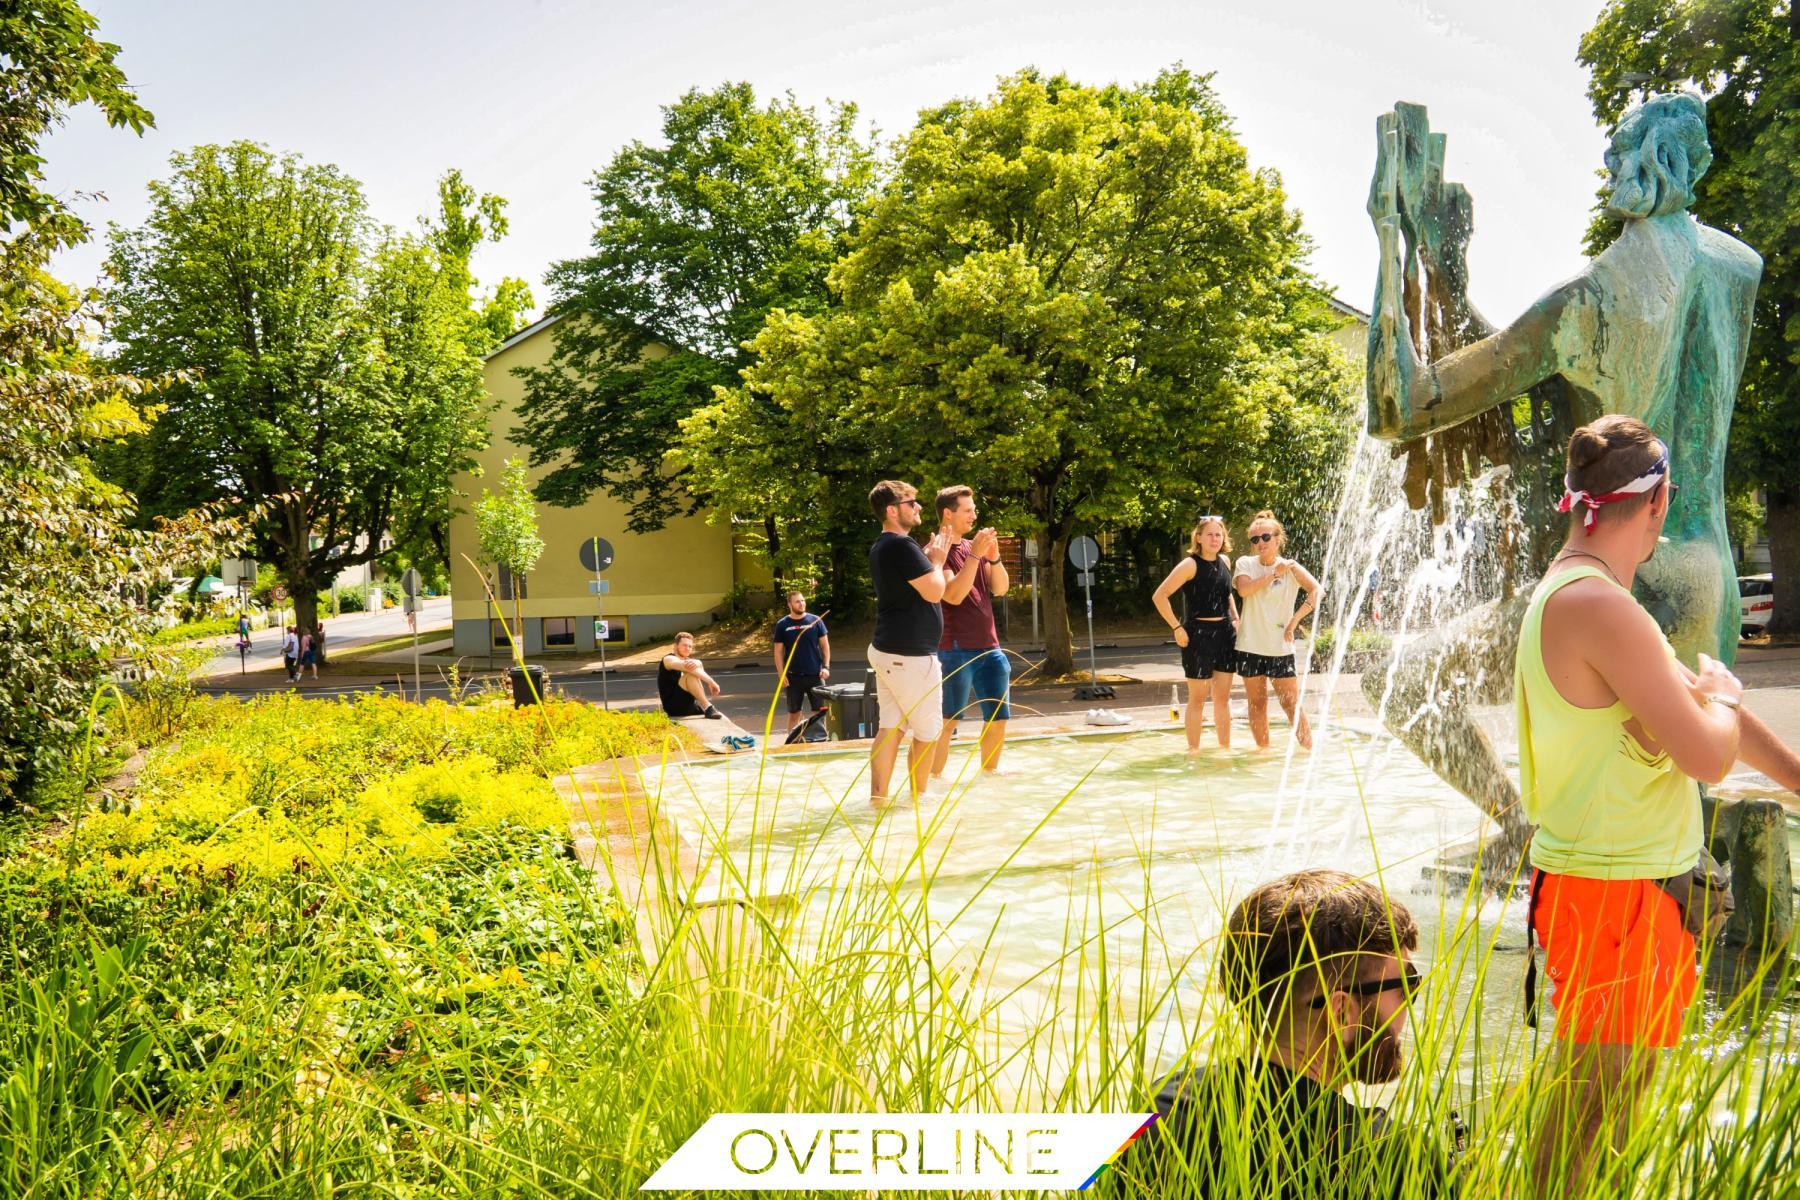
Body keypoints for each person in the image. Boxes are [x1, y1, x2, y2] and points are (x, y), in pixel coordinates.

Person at [1517, 415, 1800, 1194]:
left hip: (1615, 888)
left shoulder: (1582, 594)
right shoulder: (1602, 608)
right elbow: (1709, 747)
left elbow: (1690, 714)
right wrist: (1728, 693)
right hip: (1619, 893)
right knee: (1586, 1126)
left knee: (1594, 1116)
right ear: (1661, 500)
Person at [1148, 869, 1447, 1197]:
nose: (1410, 1005)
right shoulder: (1398, 1160)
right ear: (1341, 1011)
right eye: (1405, 985)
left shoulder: (1158, 1107)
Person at [866, 479, 983, 806]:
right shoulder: (901, 546)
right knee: (928, 733)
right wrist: (938, 557)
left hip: (889, 650)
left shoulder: (883, 545)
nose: (918, 507)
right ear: (892, 511)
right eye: (911, 503)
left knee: (890, 728)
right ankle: (919, 800)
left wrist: (931, 556)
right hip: (910, 656)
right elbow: (935, 591)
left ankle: (878, 800)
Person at [928, 485, 1010, 783]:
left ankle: (989, 776)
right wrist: (976, 556)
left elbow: (1000, 589)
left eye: (974, 509)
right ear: (947, 513)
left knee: (998, 718)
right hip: (955, 648)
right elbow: (953, 595)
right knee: (948, 722)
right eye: (968, 510)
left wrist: (995, 557)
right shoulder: (938, 550)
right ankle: (932, 783)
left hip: (990, 646)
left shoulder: (970, 549)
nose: (974, 515)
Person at [1152, 515, 1239, 753]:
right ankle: (1194, 752)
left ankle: (1224, 749)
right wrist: (1176, 627)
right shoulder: (1189, 565)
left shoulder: (1225, 561)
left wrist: (1235, 617)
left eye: (1218, 534)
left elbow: (1227, 593)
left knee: (1222, 699)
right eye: (1209, 534)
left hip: (1225, 634)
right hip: (1197, 635)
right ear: (1198, 538)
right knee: (1198, 699)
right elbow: (1159, 596)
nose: (1214, 538)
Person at [1233, 511, 1319, 750]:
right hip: (1250, 646)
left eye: (1265, 537)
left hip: (1280, 648)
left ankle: (1308, 751)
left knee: (1291, 703)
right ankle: (1264, 754)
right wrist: (1273, 574)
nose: (1260, 543)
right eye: (1255, 539)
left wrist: (1294, 622)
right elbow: (1244, 590)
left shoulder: (1291, 567)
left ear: (1278, 539)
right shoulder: (1245, 563)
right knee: (1257, 704)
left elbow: (1317, 591)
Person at [773, 591, 830, 734]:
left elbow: (825, 646)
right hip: (793, 677)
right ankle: (792, 743)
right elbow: (778, 652)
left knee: (820, 712)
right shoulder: (782, 624)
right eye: (797, 601)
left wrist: (826, 667)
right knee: (794, 714)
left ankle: (820, 741)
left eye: (803, 600)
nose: (802, 603)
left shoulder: (816, 620)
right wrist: (781, 674)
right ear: (790, 604)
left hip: (815, 675)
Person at [658, 632, 723, 720]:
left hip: (691, 706)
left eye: (690, 646)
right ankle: (708, 707)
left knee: (694, 669)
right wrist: (711, 682)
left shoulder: (690, 661)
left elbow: (697, 665)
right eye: (684, 645)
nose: (687, 648)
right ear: (676, 646)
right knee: (690, 675)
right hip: (674, 707)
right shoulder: (668, 659)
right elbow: (684, 665)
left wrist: (698, 662)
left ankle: (707, 708)